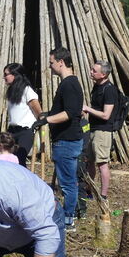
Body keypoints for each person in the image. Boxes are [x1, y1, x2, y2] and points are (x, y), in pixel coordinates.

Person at [32, 47, 83, 231]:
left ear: (61, 62)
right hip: (66, 140)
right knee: (67, 181)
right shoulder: (68, 83)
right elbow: (63, 110)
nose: (50, 66)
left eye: (52, 62)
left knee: (68, 183)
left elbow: (70, 113)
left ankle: (68, 220)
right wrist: (48, 114)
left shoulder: (69, 84)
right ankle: (68, 215)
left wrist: (47, 120)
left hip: (67, 140)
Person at [82, 60, 117, 201]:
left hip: (103, 131)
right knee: (89, 161)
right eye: (91, 69)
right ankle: (89, 191)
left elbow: (106, 115)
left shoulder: (109, 90)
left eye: (94, 71)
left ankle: (103, 196)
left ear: (103, 74)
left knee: (102, 163)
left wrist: (87, 108)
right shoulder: (97, 87)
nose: (91, 72)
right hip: (93, 129)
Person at [3, 63, 42, 167]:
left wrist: (40, 125)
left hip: (25, 131)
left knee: (19, 159)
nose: (4, 77)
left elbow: (38, 111)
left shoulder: (27, 91)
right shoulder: (11, 92)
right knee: (6, 158)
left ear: (15, 75)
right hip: (12, 131)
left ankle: (23, 181)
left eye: (6, 74)